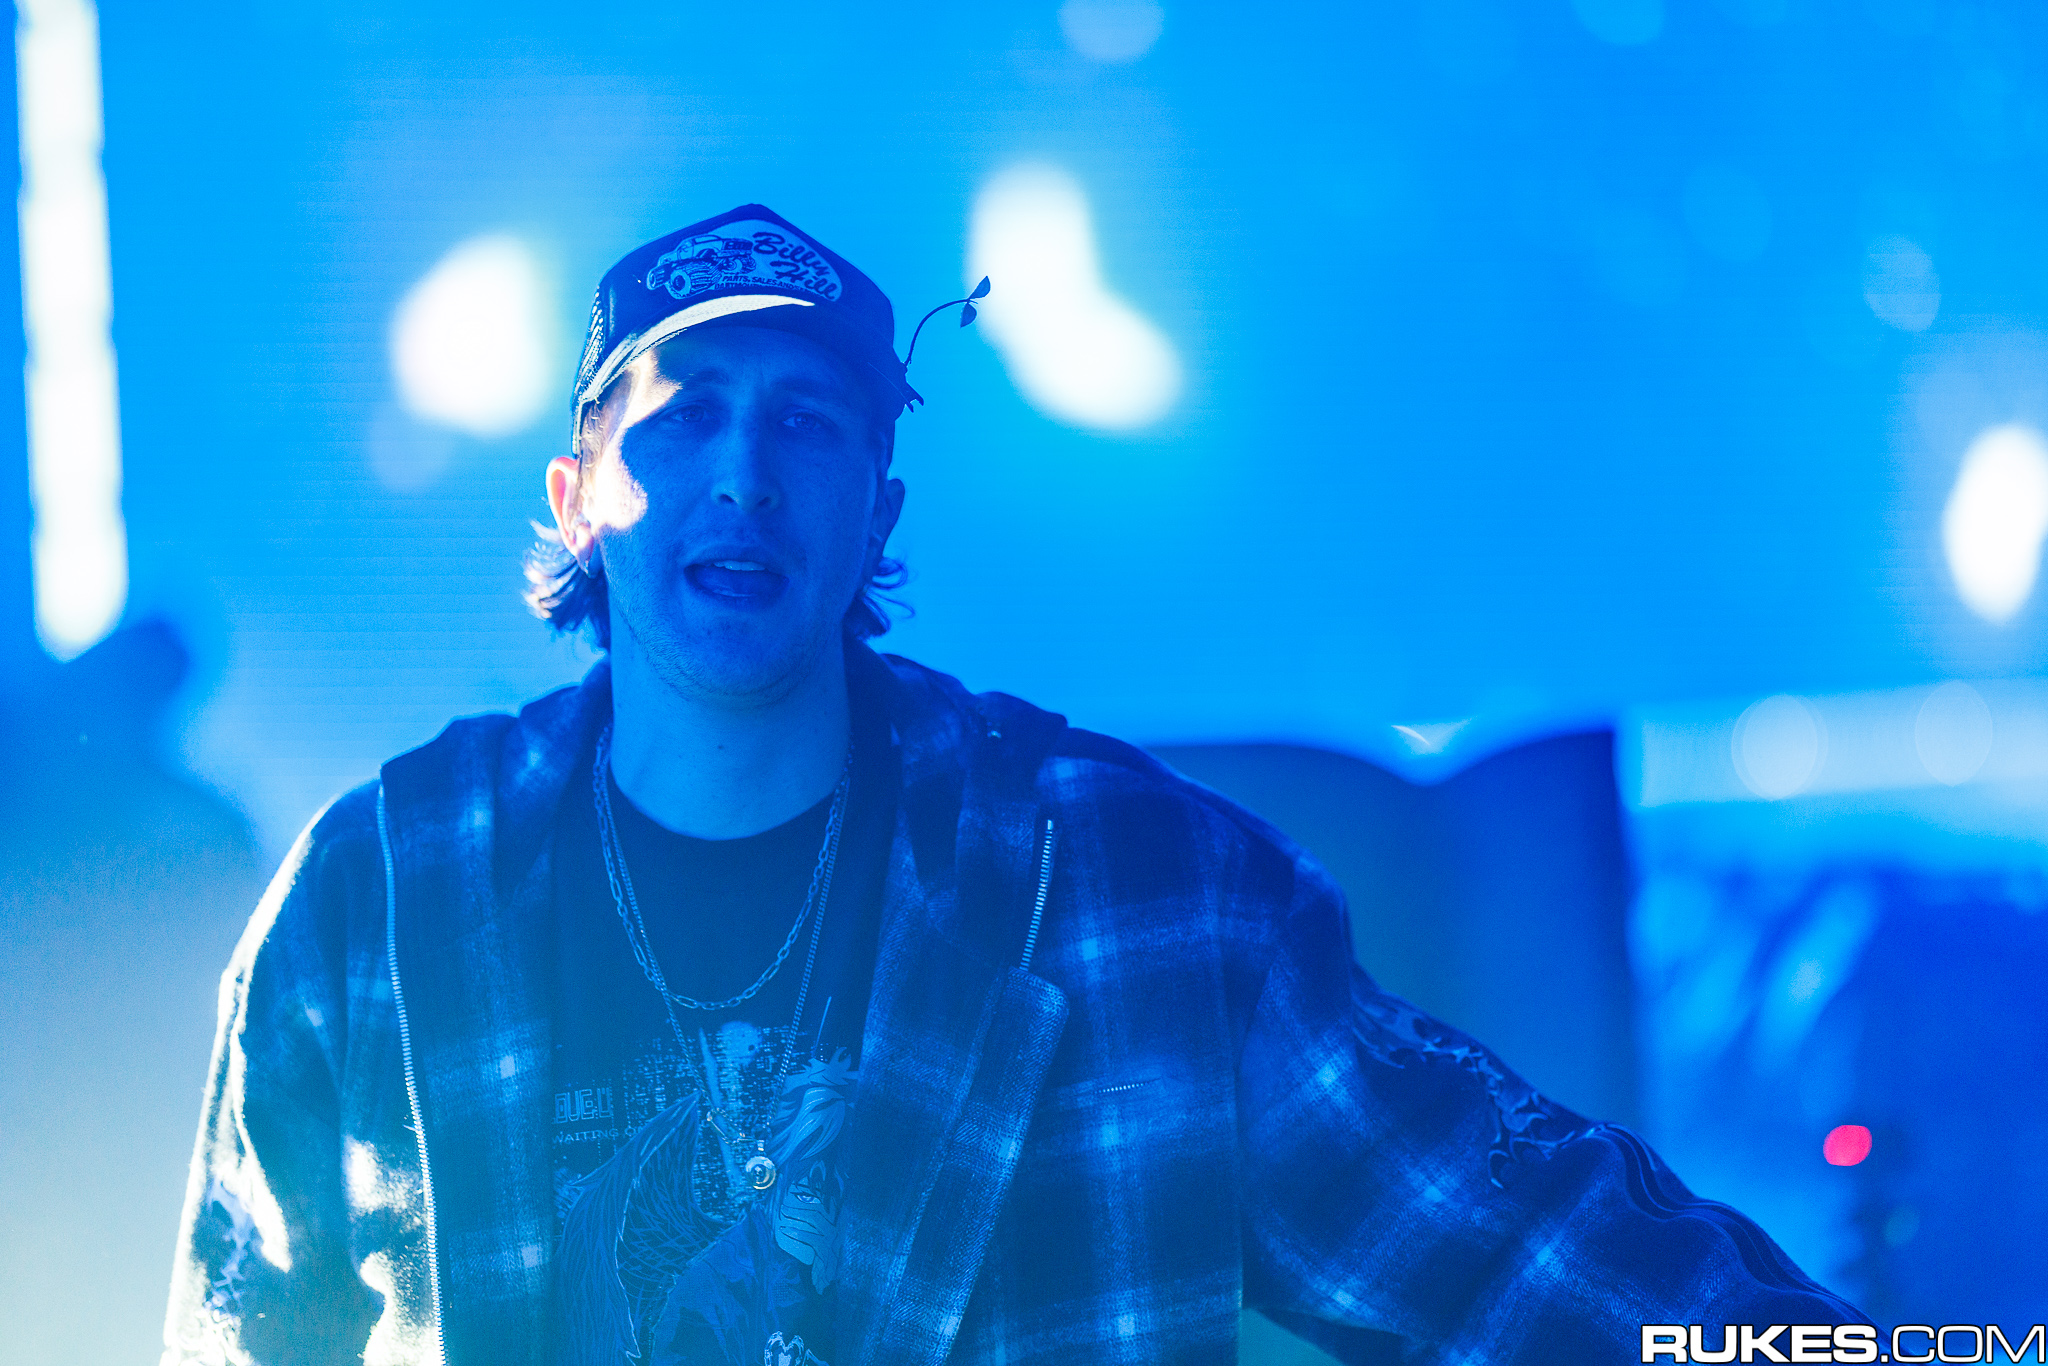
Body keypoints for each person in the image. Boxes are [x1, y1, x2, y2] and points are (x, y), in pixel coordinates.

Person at [163, 205, 1863, 1366]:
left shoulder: (1135, 888)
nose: (745, 474)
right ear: (577, 495)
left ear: (879, 514)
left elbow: (1521, 1247)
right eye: (684, 416)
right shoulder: (379, 898)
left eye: (808, 422)